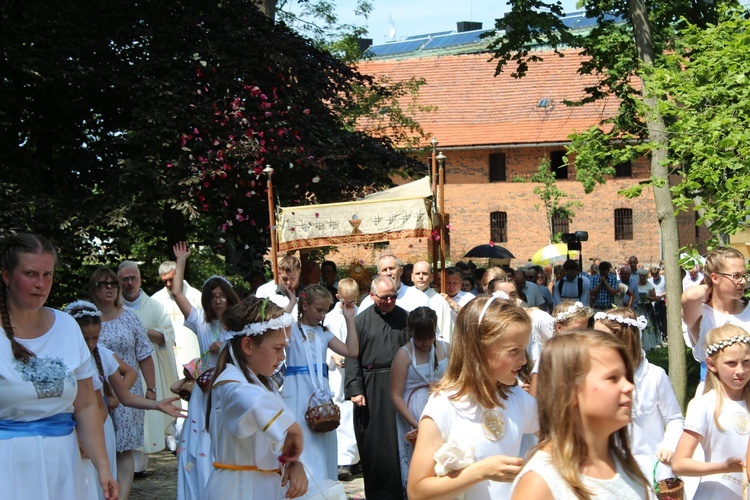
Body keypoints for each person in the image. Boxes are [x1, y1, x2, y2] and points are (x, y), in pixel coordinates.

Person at [0, 234, 118, 500]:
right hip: (8, 465)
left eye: (47, 275)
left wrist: (103, 467)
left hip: (64, 463)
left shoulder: (67, 327)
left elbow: (86, 405)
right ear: (6, 276)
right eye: (30, 274)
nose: (40, 284)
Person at [407, 296, 538, 500]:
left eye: (524, 349)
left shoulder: (517, 397)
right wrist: (479, 472)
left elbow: (558, 436)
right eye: (514, 351)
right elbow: (417, 490)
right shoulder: (445, 406)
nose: (523, 360)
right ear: (478, 349)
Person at [65, 300, 187, 499]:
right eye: (84, 338)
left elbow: (126, 395)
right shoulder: (63, 358)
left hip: (100, 428)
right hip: (69, 429)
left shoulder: (103, 355)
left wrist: (156, 404)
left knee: (99, 482)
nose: (90, 344)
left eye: (95, 338)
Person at [510, 330, 650, 499]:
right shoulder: (540, 483)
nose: (629, 387)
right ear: (570, 391)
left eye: (627, 377)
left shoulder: (625, 465)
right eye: (613, 378)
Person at [205, 297, 308, 500]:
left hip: (268, 487)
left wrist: (293, 463)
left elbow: (273, 442)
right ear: (248, 346)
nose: (283, 356)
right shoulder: (229, 383)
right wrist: (294, 430)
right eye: (277, 348)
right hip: (239, 490)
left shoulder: (265, 383)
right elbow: (255, 403)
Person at [171, 241, 240, 500]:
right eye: (213, 297)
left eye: (222, 295)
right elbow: (177, 293)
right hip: (203, 389)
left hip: (229, 386)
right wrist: (181, 261)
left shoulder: (237, 322)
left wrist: (225, 347)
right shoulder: (200, 319)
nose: (218, 301)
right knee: (199, 438)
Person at [593, 308, 683, 492]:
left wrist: (669, 446)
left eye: (602, 337)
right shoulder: (597, 376)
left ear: (624, 338)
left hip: (651, 469)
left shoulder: (655, 376)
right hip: (613, 468)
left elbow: (674, 418)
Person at [90, 266, 156, 500]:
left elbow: (144, 354)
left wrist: (151, 388)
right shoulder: (87, 317)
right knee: (100, 443)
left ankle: (123, 495)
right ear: (93, 288)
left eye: (113, 284)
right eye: (103, 284)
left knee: (125, 447)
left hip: (129, 388)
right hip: (95, 392)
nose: (109, 288)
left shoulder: (129, 317)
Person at [282, 284, 359, 483]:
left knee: (322, 437)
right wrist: (291, 302)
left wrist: (349, 319)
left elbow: (352, 351)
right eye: (319, 310)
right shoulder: (291, 330)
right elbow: (275, 323)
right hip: (298, 390)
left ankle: (323, 485)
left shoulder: (324, 334)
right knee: (303, 437)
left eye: (325, 310)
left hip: (320, 394)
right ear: (305, 306)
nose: (322, 315)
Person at [346, 275, 410, 499]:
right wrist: (355, 389)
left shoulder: (405, 318)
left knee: (399, 440)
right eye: (385, 297)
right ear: (372, 296)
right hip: (371, 388)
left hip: (400, 385)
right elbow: (353, 356)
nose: (390, 301)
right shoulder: (360, 322)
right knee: (376, 444)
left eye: (393, 296)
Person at [672, 324, 750, 498]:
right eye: (731, 363)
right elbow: (679, 463)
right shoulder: (704, 404)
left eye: (746, 362)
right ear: (711, 364)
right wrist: (724, 466)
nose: (740, 370)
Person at [118, 260, 179, 470]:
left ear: (140, 279)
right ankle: (129, 463)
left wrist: (141, 332)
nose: (129, 283)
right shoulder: (112, 306)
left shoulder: (154, 306)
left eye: (132, 278)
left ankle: (139, 463)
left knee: (144, 414)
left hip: (147, 369)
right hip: (120, 370)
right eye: (124, 279)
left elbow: (167, 336)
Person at [390, 307, 450, 494]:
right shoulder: (404, 354)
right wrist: (416, 424)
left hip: (442, 410)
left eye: (429, 337)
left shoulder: (446, 348)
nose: (424, 342)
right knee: (420, 464)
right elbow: (395, 395)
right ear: (411, 332)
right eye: (419, 337)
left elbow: (458, 380)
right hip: (414, 415)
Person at [682, 246, 750, 387]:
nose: (743, 281)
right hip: (713, 393)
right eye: (736, 276)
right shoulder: (701, 314)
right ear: (715, 277)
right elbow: (690, 296)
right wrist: (709, 287)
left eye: (744, 275)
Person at [323, 278, 361, 479]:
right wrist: (333, 355)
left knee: (354, 410)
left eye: (352, 302)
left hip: (354, 368)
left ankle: (355, 459)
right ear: (338, 296)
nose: (349, 306)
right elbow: (325, 342)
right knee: (341, 410)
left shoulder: (359, 314)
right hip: (337, 372)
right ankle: (342, 461)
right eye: (345, 302)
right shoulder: (329, 318)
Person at [528, 300, 592, 398]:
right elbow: (534, 397)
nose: (582, 335)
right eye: (576, 330)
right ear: (559, 327)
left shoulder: (587, 354)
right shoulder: (549, 357)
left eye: (585, 330)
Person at [152, 260, 203, 370]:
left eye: (171, 280)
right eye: (165, 281)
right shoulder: (155, 300)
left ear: (178, 275)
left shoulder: (196, 296)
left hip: (193, 353)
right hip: (167, 356)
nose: (168, 284)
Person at [358, 254, 429, 315]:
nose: (388, 273)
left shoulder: (418, 298)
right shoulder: (369, 302)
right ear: (379, 274)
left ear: (401, 271)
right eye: (384, 270)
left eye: (391, 268)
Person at [411, 261, 454, 342]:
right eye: (417, 273)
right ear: (412, 277)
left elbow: (447, 330)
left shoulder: (440, 301)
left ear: (431, 277)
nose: (421, 277)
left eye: (425, 274)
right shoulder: (404, 298)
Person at [648, 267, 667, 340]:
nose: (655, 278)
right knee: (655, 319)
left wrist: (661, 295)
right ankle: (658, 334)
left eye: (656, 276)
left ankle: (664, 334)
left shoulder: (663, 279)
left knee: (663, 319)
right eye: (653, 276)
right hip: (653, 302)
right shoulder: (650, 281)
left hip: (661, 301)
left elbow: (667, 290)